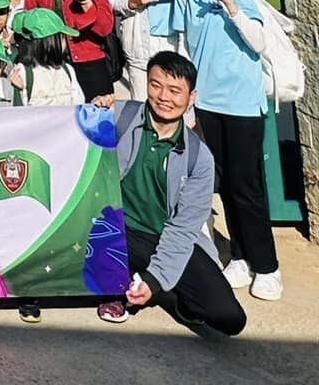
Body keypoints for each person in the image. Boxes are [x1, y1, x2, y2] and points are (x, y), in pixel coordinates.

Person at [141, 0, 280, 300]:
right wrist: (184, 98)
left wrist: (230, 5)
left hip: (242, 102)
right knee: (224, 184)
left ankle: (268, 266)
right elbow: (184, 46)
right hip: (207, 102)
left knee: (246, 185)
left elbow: (258, 43)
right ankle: (241, 257)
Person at [96, 52, 248, 336]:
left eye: (175, 90)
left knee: (228, 318)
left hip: (164, 235)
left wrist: (155, 282)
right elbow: (70, 136)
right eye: (156, 85)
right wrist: (93, 109)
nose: (164, 97)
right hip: (113, 228)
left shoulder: (199, 158)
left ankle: (163, 288)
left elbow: (183, 228)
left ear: (191, 97)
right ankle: (118, 284)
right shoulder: (118, 117)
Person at [10, 7, 84, 106]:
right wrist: (20, 91)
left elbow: (79, 102)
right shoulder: (23, 73)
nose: (65, 42)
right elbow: (19, 110)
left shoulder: (67, 70)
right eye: (61, 37)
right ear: (49, 42)